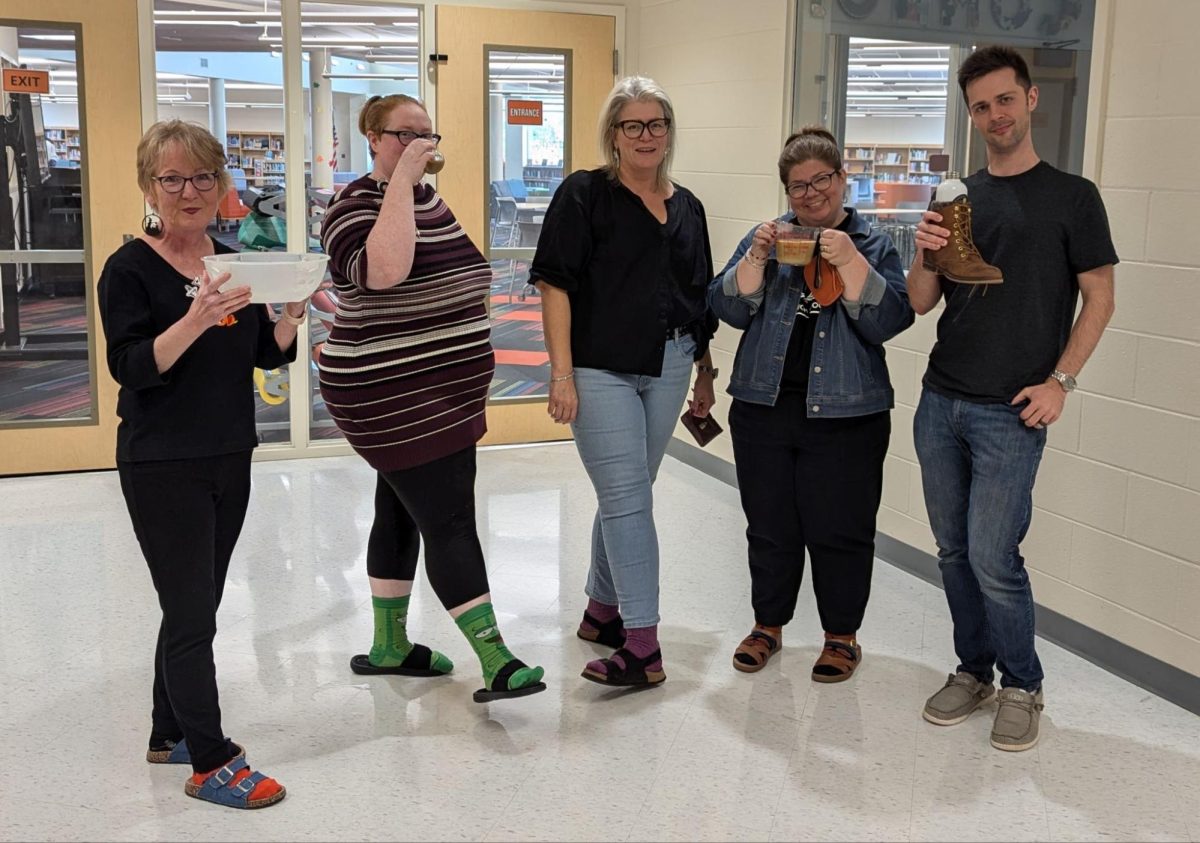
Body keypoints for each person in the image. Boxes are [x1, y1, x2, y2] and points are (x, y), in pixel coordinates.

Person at [910, 46, 1117, 751]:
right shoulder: (958, 196)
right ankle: (973, 671)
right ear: (970, 118)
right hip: (941, 402)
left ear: (1031, 100)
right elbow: (921, 301)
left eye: (1004, 99)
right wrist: (923, 247)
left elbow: (1100, 296)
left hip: (1012, 412)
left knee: (994, 554)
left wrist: (1061, 381)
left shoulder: (1073, 197)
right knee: (951, 551)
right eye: (980, 106)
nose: (994, 115)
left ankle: (1022, 683)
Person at [98, 120, 307, 809]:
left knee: (197, 603)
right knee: (191, 613)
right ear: (149, 187)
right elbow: (131, 366)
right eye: (173, 178)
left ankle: (170, 731)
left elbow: (260, 355)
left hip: (229, 454)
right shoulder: (128, 270)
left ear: (223, 187)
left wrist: (289, 319)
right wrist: (196, 314)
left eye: (203, 177)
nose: (190, 191)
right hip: (163, 462)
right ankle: (210, 759)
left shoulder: (229, 259)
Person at [318, 94, 545, 704]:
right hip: (395, 394)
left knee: (399, 511)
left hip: (443, 389)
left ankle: (390, 645)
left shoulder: (426, 200)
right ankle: (496, 659)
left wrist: (413, 186)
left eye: (428, 136)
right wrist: (400, 182)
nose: (421, 147)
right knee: (449, 521)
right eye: (404, 136)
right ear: (371, 136)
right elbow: (385, 270)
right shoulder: (353, 205)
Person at [531, 76, 718, 688]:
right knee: (630, 499)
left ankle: (601, 610)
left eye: (656, 124)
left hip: (670, 364)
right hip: (600, 368)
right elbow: (554, 283)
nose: (646, 136)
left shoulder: (687, 205)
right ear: (613, 134)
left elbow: (698, 297)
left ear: (669, 133)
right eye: (632, 125)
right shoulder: (585, 194)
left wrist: (705, 375)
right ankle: (643, 646)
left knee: (630, 489)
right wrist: (561, 374)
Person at [708, 127, 914, 682]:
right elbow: (726, 307)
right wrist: (754, 258)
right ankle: (767, 626)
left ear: (842, 179)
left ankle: (841, 638)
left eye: (822, 179)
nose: (811, 193)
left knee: (840, 528)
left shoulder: (872, 243)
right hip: (764, 405)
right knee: (769, 525)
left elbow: (889, 321)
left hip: (849, 413)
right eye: (798, 185)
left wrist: (850, 263)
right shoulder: (770, 236)